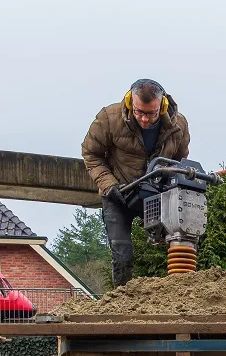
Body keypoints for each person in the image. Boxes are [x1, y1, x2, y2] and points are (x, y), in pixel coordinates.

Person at [81, 79, 191, 286]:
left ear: (163, 106)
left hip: (156, 192)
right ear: (130, 102)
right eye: (139, 112)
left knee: (178, 242)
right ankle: (121, 303)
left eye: (151, 113)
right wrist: (109, 185)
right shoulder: (108, 118)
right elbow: (91, 154)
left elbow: (179, 162)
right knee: (122, 254)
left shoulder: (179, 126)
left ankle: (179, 296)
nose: (144, 119)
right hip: (119, 193)